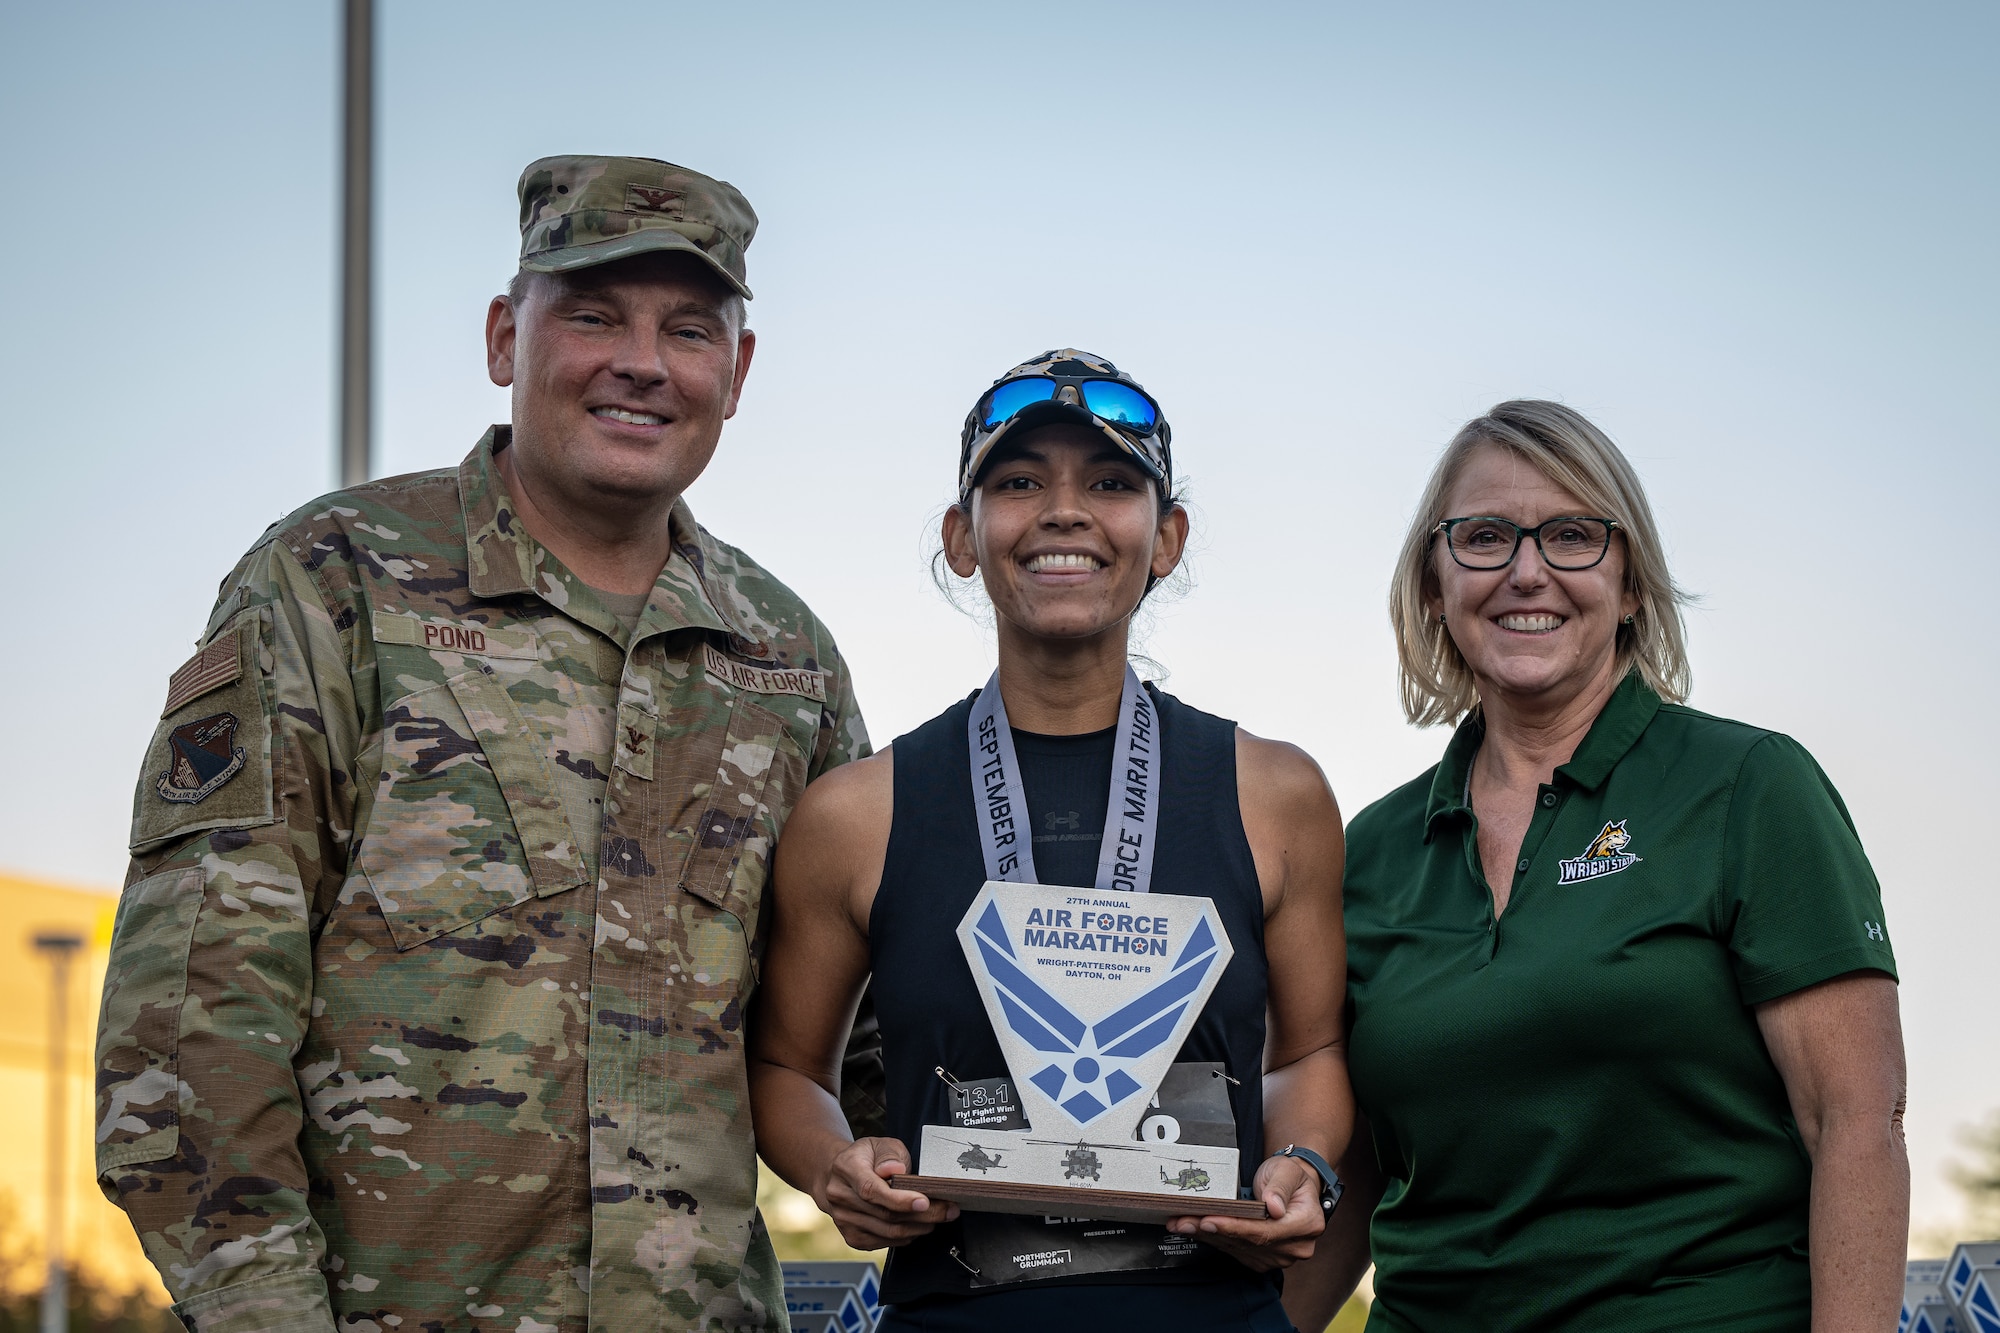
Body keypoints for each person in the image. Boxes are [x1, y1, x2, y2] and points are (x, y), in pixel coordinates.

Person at [93, 155, 869, 1333]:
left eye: (689, 330)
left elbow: (846, 1034)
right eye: (594, 314)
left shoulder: (785, 660)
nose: (643, 363)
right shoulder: (333, 579)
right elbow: (192, 1019)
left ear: (737, 371)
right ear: (507, 337)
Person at [748, 350, 1352, 1333]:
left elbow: (1308, 1050)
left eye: (1110, 483)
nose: (1063, 510)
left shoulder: (1275, 793)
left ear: (1165, 538)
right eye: (1018, 480)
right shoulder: (855, 813)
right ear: (961, 536)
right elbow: (785, 1068)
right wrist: (833, 1166)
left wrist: (1304, 1160)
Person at [1286, 401, 1907, 1332]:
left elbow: (1856, 1124)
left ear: (1631, 584)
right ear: (1433, 584)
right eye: (1485, 537)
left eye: (1573, 535)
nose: (1526, 571)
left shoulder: (1749, 787)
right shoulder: (1369, 850)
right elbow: (1365, 1167)